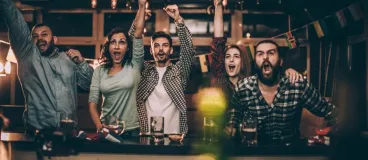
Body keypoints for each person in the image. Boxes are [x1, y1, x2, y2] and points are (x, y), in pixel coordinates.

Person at [0, 0, 93, 131]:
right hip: (37, 132)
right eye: (35, 36)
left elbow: (90, 84)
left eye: (44, 34)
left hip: (69, 130)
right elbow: (15, 21)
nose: (40, 39)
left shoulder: (68, 59)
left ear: (54, 39)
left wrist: (81, 63)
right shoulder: (28, 57)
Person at [227, 39, 339, 145]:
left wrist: (338, 130)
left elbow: (327, 110)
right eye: (260, 54)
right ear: (255, 62)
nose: (265, 57)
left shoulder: (297, 86)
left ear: (280, 61)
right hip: (254, 152)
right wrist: (231, 126)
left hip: (289, 152)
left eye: (271, 53)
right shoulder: (243, 88)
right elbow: (234, 113)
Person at [210, 0, 302, 109]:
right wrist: (219, 7)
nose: (231, 60)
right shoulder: (219, 79)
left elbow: (272, 74)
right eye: (227, 56)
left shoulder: (253, 83)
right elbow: (218, 41)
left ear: (243, 61)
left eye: (236, 56)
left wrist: (288, 71)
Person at [131, 4, 195, 138]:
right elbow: (133, 43)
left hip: (174, 137)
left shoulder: (178, 71)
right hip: (147, 136)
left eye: (165, 45)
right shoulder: (143, 70)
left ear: (171, 50)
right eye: (157, 46)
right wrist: (139, 19)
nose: (160, 49)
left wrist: (178, 20)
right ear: (151, 50)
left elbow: (188, 50)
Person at [88, 0, 147, 136]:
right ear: (108, 47)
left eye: (122, 42)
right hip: (107, 129)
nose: (117, 46)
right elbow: (92, 103)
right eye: (113, 42)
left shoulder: (134, 66)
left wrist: (142, 6)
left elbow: (138, 34)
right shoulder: (99, 71)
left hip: (131, 130)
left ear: (127, 48)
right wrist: (100, 127)